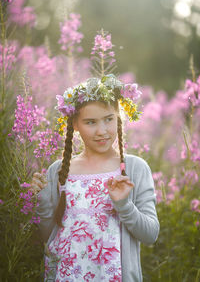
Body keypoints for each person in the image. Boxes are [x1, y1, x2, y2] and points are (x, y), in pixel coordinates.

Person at [31, 74, 159, 282]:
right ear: (74, 124)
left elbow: (150, 235)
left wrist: (124, 205)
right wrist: (43, 200)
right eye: (90, 122)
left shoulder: (135, 168)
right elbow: (47, 237)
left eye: (108, 119)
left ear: (118, 116)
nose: (102, 131)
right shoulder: (58, 171)